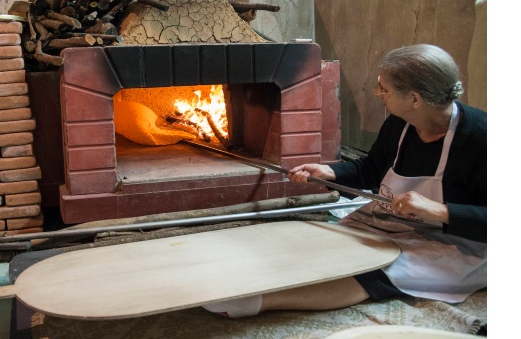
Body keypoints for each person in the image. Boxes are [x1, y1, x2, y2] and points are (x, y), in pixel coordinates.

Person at [202, 43, 486, 318]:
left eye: (384, 88)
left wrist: (440, 211)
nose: (377, 92)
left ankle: (256, 302)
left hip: (457, 243)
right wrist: (331, 173)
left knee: (375, 272)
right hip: (392, 222)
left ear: (414, 98)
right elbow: (372, 170)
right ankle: (251, 275)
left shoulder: (482, 137)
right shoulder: (399, 124)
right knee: (327, 245)